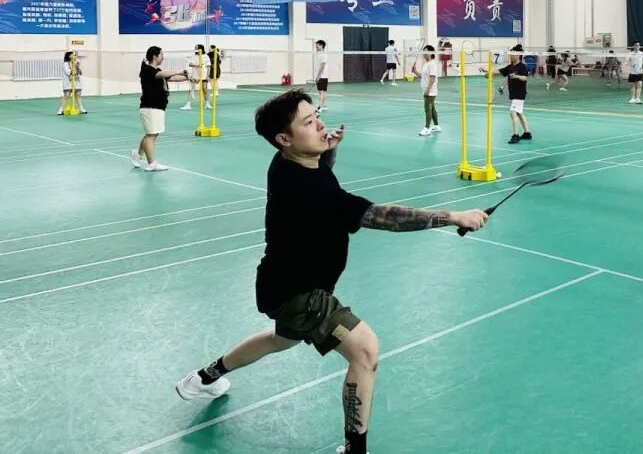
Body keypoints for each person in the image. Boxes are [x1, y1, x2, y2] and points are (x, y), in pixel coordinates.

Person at [173, 89, 488, 454]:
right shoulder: (314, 191)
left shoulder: (284, 164)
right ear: (284, 138)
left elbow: (320, 173)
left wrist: (328, 150)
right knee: (365, 351)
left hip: (277, 286)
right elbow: (384, 217)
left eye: (317, 116)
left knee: (280, 341)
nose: (320, 125)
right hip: (302, 295)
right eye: (309, 123)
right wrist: (453, 216)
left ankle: (204, 377)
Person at [131, 46, 188, 171]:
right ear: (154, 56)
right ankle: (152, 163)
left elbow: (172, 78)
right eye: (161, 55)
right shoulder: (148, 70)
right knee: (151, 136)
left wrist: (188, 78)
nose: (163, 57)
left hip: (157, 107)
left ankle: (137, 155)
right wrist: (179, 71)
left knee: (151, 134)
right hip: (150, 107)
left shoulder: (156, 70)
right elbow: (162, 74)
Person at [499, 44, 533, 144]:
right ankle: (527, 133)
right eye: (510, 54)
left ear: (518, 55)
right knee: (519, 113)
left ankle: (516, 135)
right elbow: (500, 71)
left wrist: (517, 76)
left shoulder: (522, 66)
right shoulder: (510, 66)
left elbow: (525, 78)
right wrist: (487, 70)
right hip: (514, 94)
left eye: (512, 54)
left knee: (512, 112)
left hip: (519, 93)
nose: (510, 56)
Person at [419, 45, 442, 137]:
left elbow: (432, 78)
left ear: (431, 53)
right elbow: (423, 77)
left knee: (427, 109)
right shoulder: (426, 64)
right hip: (427, 90)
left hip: (430, 91)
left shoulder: (432, 64)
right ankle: (436, 126)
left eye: (426, 51)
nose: (424, 53)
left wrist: (428, 90)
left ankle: (427, 128)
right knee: (432, 109)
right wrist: (415, 71)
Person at [57, 50, 86, 115]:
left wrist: (77, 66)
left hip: (76, 82)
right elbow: (70, 73)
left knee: (78, 95)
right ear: (69, 56)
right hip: (68, 83)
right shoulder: (65, 64)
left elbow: (79, 73)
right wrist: (74, 66)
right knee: (66, 96)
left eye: (75, 55)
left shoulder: (76, 63)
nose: (74, 56)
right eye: (73, 55)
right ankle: (61, 109)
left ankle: (81, 108)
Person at [181, 44, 209, 111]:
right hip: (195, 75)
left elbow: (209, 67)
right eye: (195, 48)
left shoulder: (206, 56)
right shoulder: (194, 56)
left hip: (204, 75)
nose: (195, 49)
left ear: (201, 49)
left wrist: (208, 76)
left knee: (205, 89)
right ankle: (188, 105)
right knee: (191, 89)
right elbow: (190, 64)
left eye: (196, 48)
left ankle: (207, 104)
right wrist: (197, 65)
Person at [314, 40, 329, 114]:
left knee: (321, 92)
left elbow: (322, 66)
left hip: (322, 76)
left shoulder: (323, 54)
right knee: (324, 91)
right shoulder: (318, 54)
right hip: (322, 76)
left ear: (321, 45)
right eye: (316, 45)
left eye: (317, 45)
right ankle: (324, 106)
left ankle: (320, 107)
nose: (316, 46)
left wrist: (318, 76)